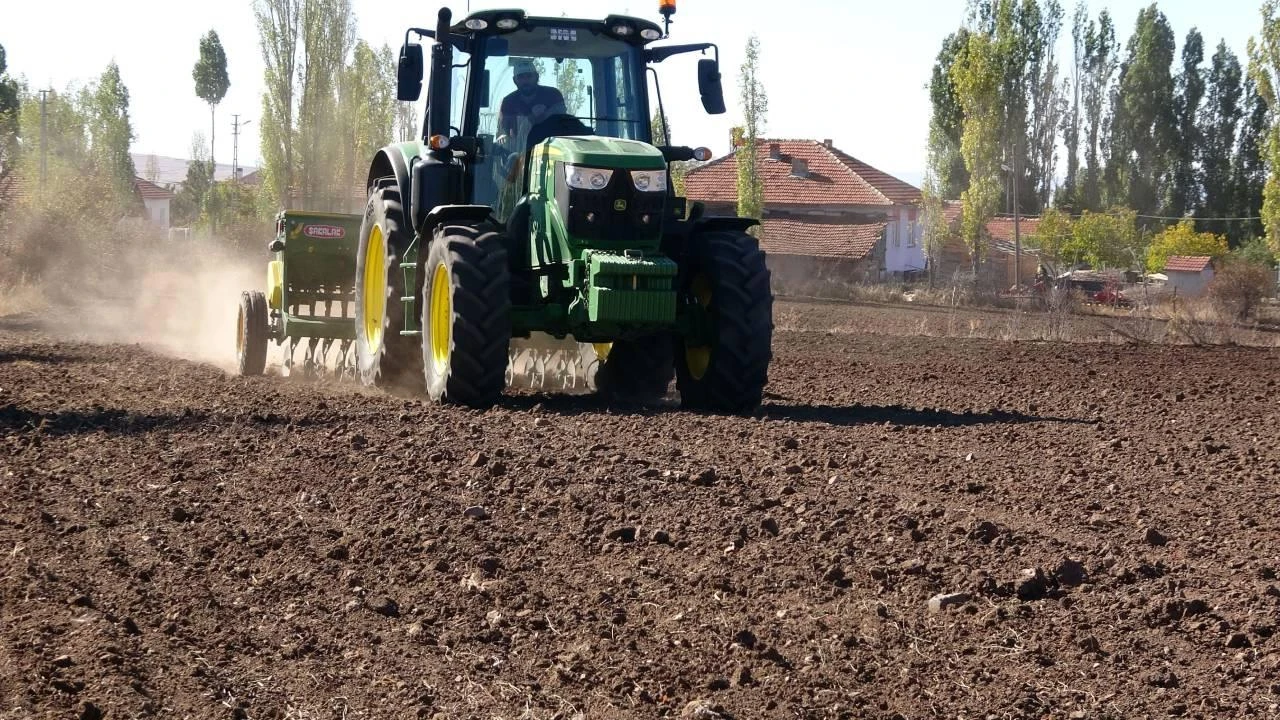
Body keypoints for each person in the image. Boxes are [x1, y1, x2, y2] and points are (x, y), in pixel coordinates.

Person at [496, 61, 567, 145]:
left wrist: (545, 115)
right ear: (515, 80)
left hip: (550, 147)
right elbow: (504, 130)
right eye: (520, 77)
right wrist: (503, 136)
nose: (525, 81)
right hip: (519, 152)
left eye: (529, 76)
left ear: (536, 77)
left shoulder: (553, 95)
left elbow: (561, 124)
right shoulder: (508, 102)